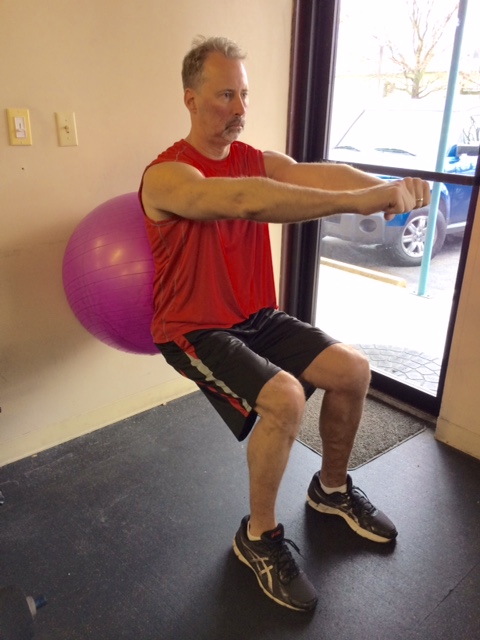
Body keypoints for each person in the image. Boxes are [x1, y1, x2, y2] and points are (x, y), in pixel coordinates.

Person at [139, 36, 431, 612]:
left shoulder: (257, 158)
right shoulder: (166, 176)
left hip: (255, 316)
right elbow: (249, 201)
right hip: (192, 328)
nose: (239, 108)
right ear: (191, 99)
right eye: (225, 94)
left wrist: (385, 187)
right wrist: (364, 203)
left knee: (353, 369)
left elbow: (319, 175)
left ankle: (331, 490)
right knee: (285, 398)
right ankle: (259, 537)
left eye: (244, 94)